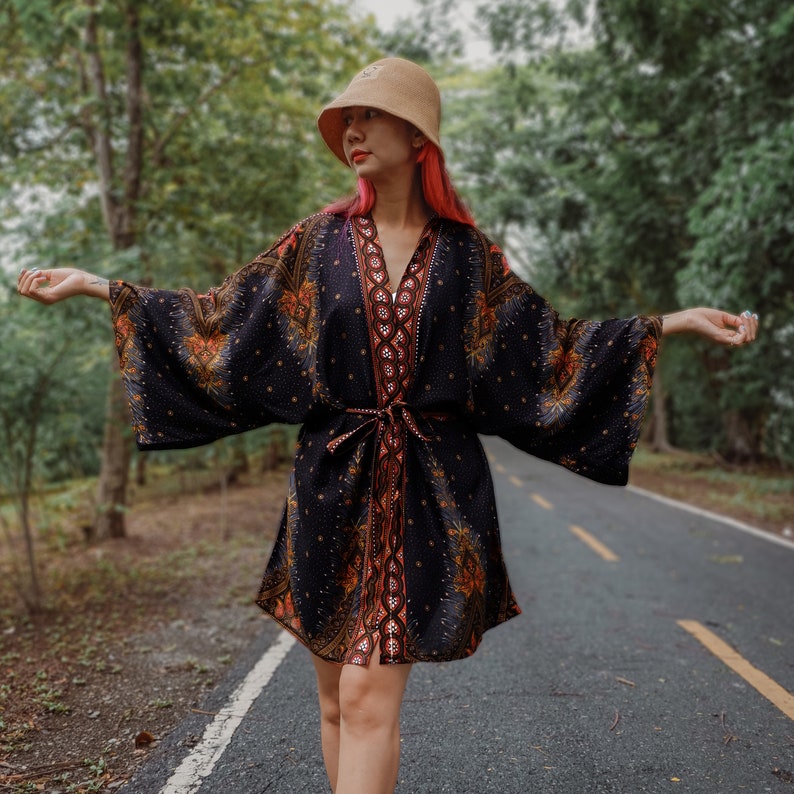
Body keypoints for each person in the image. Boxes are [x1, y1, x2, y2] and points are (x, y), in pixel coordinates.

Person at [17, 57, 758, 794]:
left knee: (369, 700)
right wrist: (96, 287)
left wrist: (677, 323)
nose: (353, 131)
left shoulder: (468, 259)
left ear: (418, 134)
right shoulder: (316, 243)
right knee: (338, 702)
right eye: (347, 120)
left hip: (429, 492)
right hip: (329, 481)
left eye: (370, 116)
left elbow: (552, 350)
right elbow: (218, 321)